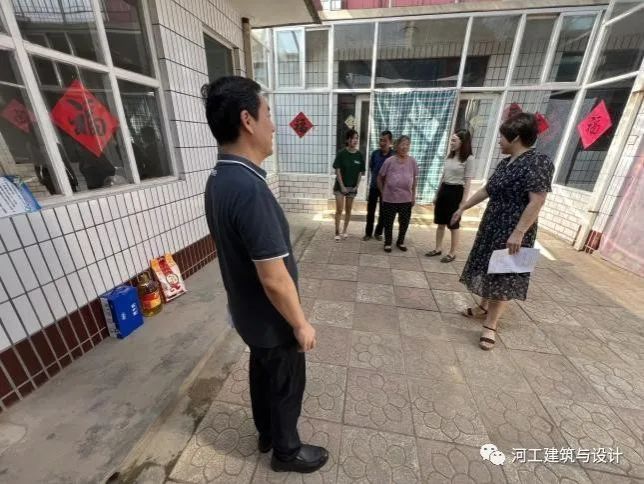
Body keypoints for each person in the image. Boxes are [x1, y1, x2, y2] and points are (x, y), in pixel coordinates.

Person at [202, 76, 328, 473]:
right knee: (287, 381)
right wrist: (300, 323)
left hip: (246, 312)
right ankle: (286, 451)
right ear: (247, 121)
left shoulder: (219, 178)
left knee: (261, 371)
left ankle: (267, 432)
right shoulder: (250, 190)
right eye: (268, 114)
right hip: (271, 318)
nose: (273, 125)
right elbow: (274, 278)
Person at [451, 113, 554, 351]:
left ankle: (491, 325)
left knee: (504, 274)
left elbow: (537, 200)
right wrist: (463, 208)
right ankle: (483, 307)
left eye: (502, 137)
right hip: (492, 226)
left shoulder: (538, 162)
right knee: (490, 268)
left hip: (513, 230)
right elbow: (487, 190)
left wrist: (519, 232)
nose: (499, 141)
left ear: (515, 137)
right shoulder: (505, 163)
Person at [426, 129, 474, 263]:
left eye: (454, 140)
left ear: (462, 142)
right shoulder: (450, 156)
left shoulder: (469, 159)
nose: (451, 143)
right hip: (444, 190)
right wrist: (437, 194)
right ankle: (438, 248)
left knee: (453, 224)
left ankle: (452, 253)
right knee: (440, 222)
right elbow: (443, 176)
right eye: (451, 140)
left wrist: (463, 203)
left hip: (456, 192)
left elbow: (468, 182)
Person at [378, 135, 419, 253]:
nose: (405, 147)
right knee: (388, 222)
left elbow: (415, 179)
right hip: (390, 198)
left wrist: (413, 195)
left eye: (407, 144)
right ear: (396, 146)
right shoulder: (389, 161)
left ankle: (400, 241)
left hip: (406, 198)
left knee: (404, 222)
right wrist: (383, 193)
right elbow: (380, 177)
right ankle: (388, 242)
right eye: (403, 144)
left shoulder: (412, 161)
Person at [333, 129, 365, 241]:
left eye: (356, 138)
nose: (355, 140)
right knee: (339, 209)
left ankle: (344, 231)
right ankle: (337, 231)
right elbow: (337, 170)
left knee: (348, 209)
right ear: (348, 140)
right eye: (353, 138)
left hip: (352, 187)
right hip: (340, 186)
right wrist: (342, 186)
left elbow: (360, 172)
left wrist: (357, 186)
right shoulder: (341, 153)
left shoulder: (359, 155)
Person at [363, 130, 393, 241]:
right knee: (370, 211)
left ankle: (378, 232)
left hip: (387, 189)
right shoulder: (375, 154)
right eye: (380, 140)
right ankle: (368, 233)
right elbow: (372, 168)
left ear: (390, 142)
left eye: (385, 141)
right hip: (374, 187)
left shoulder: (393, 156)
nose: (382, 143)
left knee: (383, 212)